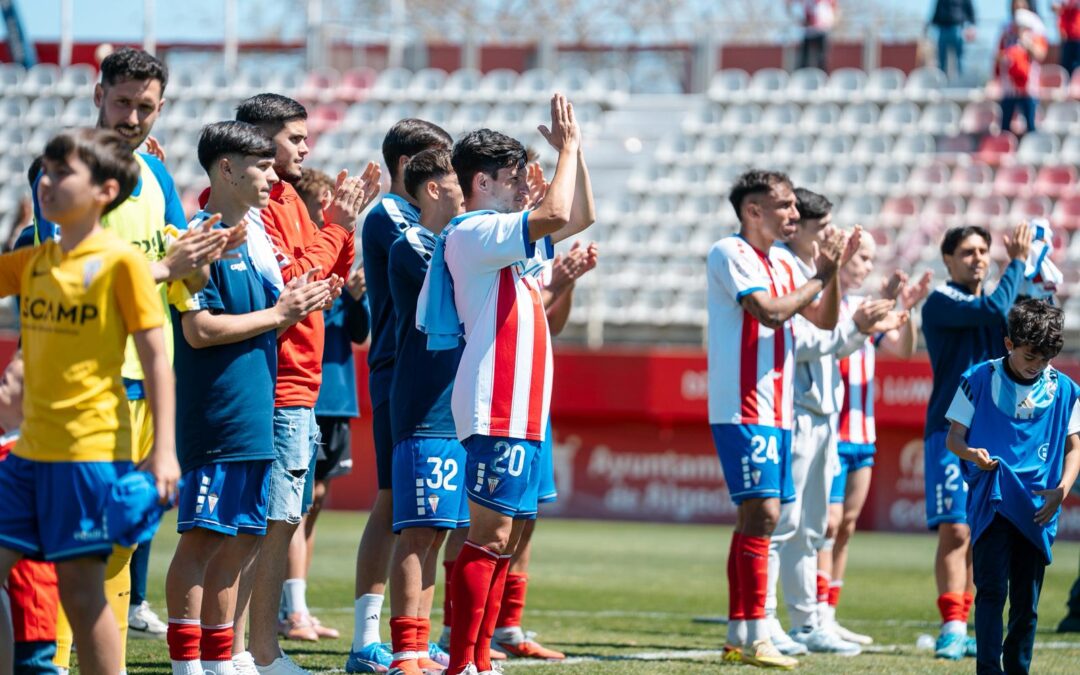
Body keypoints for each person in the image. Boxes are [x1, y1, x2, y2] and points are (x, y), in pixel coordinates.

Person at [26, 48, 234, 667]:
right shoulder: (63, 171)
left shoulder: (158, 176)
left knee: (121, 537)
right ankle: (53, 661)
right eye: (123, 103)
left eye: (146, 107)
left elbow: (179, 281)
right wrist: (170, 265)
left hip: (150, 380)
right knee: (73, 542)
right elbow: (64, 272)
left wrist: (204, 258)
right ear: (98, 96)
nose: (133, 117)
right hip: (88, 385)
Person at [419, 94, 595, 675]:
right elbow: (550, 217)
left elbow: (577, 217)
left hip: (519, 404)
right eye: (516, 178)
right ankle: (461, 663)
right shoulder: (475, 230)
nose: (527, 186)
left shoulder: (501, 236)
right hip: (495, 401)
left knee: (508, 540)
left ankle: (478, 659)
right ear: (482, 180)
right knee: (490, 536)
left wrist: (577, 151)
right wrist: (565, 151)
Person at [0, 127, 179, 675]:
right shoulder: (34, 259)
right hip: (30, 452)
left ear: (104, 191)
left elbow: (155, 361)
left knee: (81, 594)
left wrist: (165, 451)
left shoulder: (121, 264)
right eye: (44, 172)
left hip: (89, 456)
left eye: (60, 173)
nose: (46, 182)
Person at [164, 122, 338, 675]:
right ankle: (185, 663)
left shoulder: (257, 238)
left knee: (242, 538)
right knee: (201, 539)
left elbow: (271, 315)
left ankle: (221, 659)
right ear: (226, 170)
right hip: (217, 414)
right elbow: (200, 330)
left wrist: (300, 299)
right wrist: (281, 313)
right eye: (259, 166)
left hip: (258, 412)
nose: (271, 175)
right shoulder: (194, 237)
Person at [223, 93, 378, 675]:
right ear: (259, 138)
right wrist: (336, 228)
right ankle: (255, 651)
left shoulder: (287, 198)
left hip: (302, 382)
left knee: (276, 522)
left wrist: (341, 236)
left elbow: (317, 278)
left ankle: (245, 648)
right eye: (294, 138)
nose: (306, 148)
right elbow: (291, 279)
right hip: (278, 381)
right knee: (267, 524)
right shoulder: (258, 204)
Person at [706, 170, 850, 669]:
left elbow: (825, 320)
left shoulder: (785, 262)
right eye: (785, 206)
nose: (794, 214)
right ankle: (756, 634)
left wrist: (827, 277)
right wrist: (819, 278)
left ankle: (738, 633)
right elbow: (767, 312)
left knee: (756, 517)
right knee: (764, 514)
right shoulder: (732, 253)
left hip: (777, 410)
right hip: (742, 405)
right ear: (753, 211)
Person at [762, 189, 893, 658]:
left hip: (824, 418)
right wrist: (856, 326)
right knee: (785, 522)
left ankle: (809, 622)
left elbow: (833, 339)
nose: (831, 237)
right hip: (794, 413)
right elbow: (809, 342)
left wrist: (857, 325)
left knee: (813, 526)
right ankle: (768, 620)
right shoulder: (782, 269)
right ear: (800, 228)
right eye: (824, 229)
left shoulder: (812, 270)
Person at [347, 118, 453, 674]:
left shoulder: (416, 215)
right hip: (396, 369)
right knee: (393, 503)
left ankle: (413, 633)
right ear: (411, 166)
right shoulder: (390, 214)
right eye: (440, 161)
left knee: (422, 513)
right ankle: (366, 640)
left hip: (425, 371)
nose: (450, 174)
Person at [945, 299, 1080, 675]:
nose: (1038, 365)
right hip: (993, 500)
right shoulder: (977, 379)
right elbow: (953, 439)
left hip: (1038, 507)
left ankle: (1018, 668)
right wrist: (973, 454)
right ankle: (989, 669)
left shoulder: (1066, 390)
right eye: (1030, 356)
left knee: (1027, 601)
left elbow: (1075, 447)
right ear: (1009, 343)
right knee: (991, 592)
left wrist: (1063, 489)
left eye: (1046, 358)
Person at [920, 222, 1032, 660]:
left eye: (984, 250)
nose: (979, 258)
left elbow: (1023, 323)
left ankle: (963, 624)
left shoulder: (994, 304)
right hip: (951, 431)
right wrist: (1018, 262)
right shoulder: (942, 301)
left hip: (994, 432)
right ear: (947, 259)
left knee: (981, 529)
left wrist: (1035, 276)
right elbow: (994, 310)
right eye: (967, 252)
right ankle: (950, 626)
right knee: (956, 527)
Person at [818, 240, 932, 645]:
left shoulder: (868, 306)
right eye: (862, 258)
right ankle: (813, 616)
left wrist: (908, 309)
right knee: (827, 524)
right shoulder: (826, 303)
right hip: (829, 435)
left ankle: (828, 614)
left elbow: (903, 349)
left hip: (862, 436)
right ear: (843, 259)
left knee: (846, 526)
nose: (868, 265)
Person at [383, 148, 468, 675]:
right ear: (434, 188)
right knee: (417, 532)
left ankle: (419, 648)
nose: (466, 188)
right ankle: (403, 654)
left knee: (437, 533)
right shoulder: (412, 244)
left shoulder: (452, 243)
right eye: (458, 179)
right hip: (424, 406)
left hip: (455, 406)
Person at [278, 169, 369, 643]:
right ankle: (290, 609)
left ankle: (297, 604)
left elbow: (359, 334)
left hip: (337, 395)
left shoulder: (338, 258)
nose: (327, 212)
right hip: (305, 395)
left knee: (312, 508)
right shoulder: (302, 258)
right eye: (321, 206)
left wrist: (354, 298)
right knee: (295, 505)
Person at [0, 352, 62, 674]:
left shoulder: (23, 459)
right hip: (13, 602)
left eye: (6, 381)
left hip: (29, 605)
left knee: (34, 667)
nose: (2, 381)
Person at [994, 3, 1049, 134]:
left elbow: (1040, 54)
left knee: (1031, 126)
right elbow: (998, 57)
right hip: (1009, 90)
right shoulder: (1006, 37)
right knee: (1005, 127)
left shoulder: (1034, 35)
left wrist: (1026, 42)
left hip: (1029, 89)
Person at [930, 0, 977, 78]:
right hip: (942, 29)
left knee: (960, 59)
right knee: (941, 59)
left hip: (958, 28)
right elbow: (936, 12)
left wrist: (972, 26)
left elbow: (970, 11)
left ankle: (962, 80)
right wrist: (931, 26)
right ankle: (942, 82)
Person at [789, 0, 839, 70]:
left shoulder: (825, 3)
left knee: (821, 58)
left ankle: (822, 75)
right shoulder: (807, 3)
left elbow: (832, 9)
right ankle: (802, 74)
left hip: (821, 31)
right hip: (807, 32)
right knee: (804, 59)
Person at [1053, 1, 1080, 73]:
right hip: (1067, 39)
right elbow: (1054, 7)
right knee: (1066, 65)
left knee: (1077, 65)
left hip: (1077, 38)